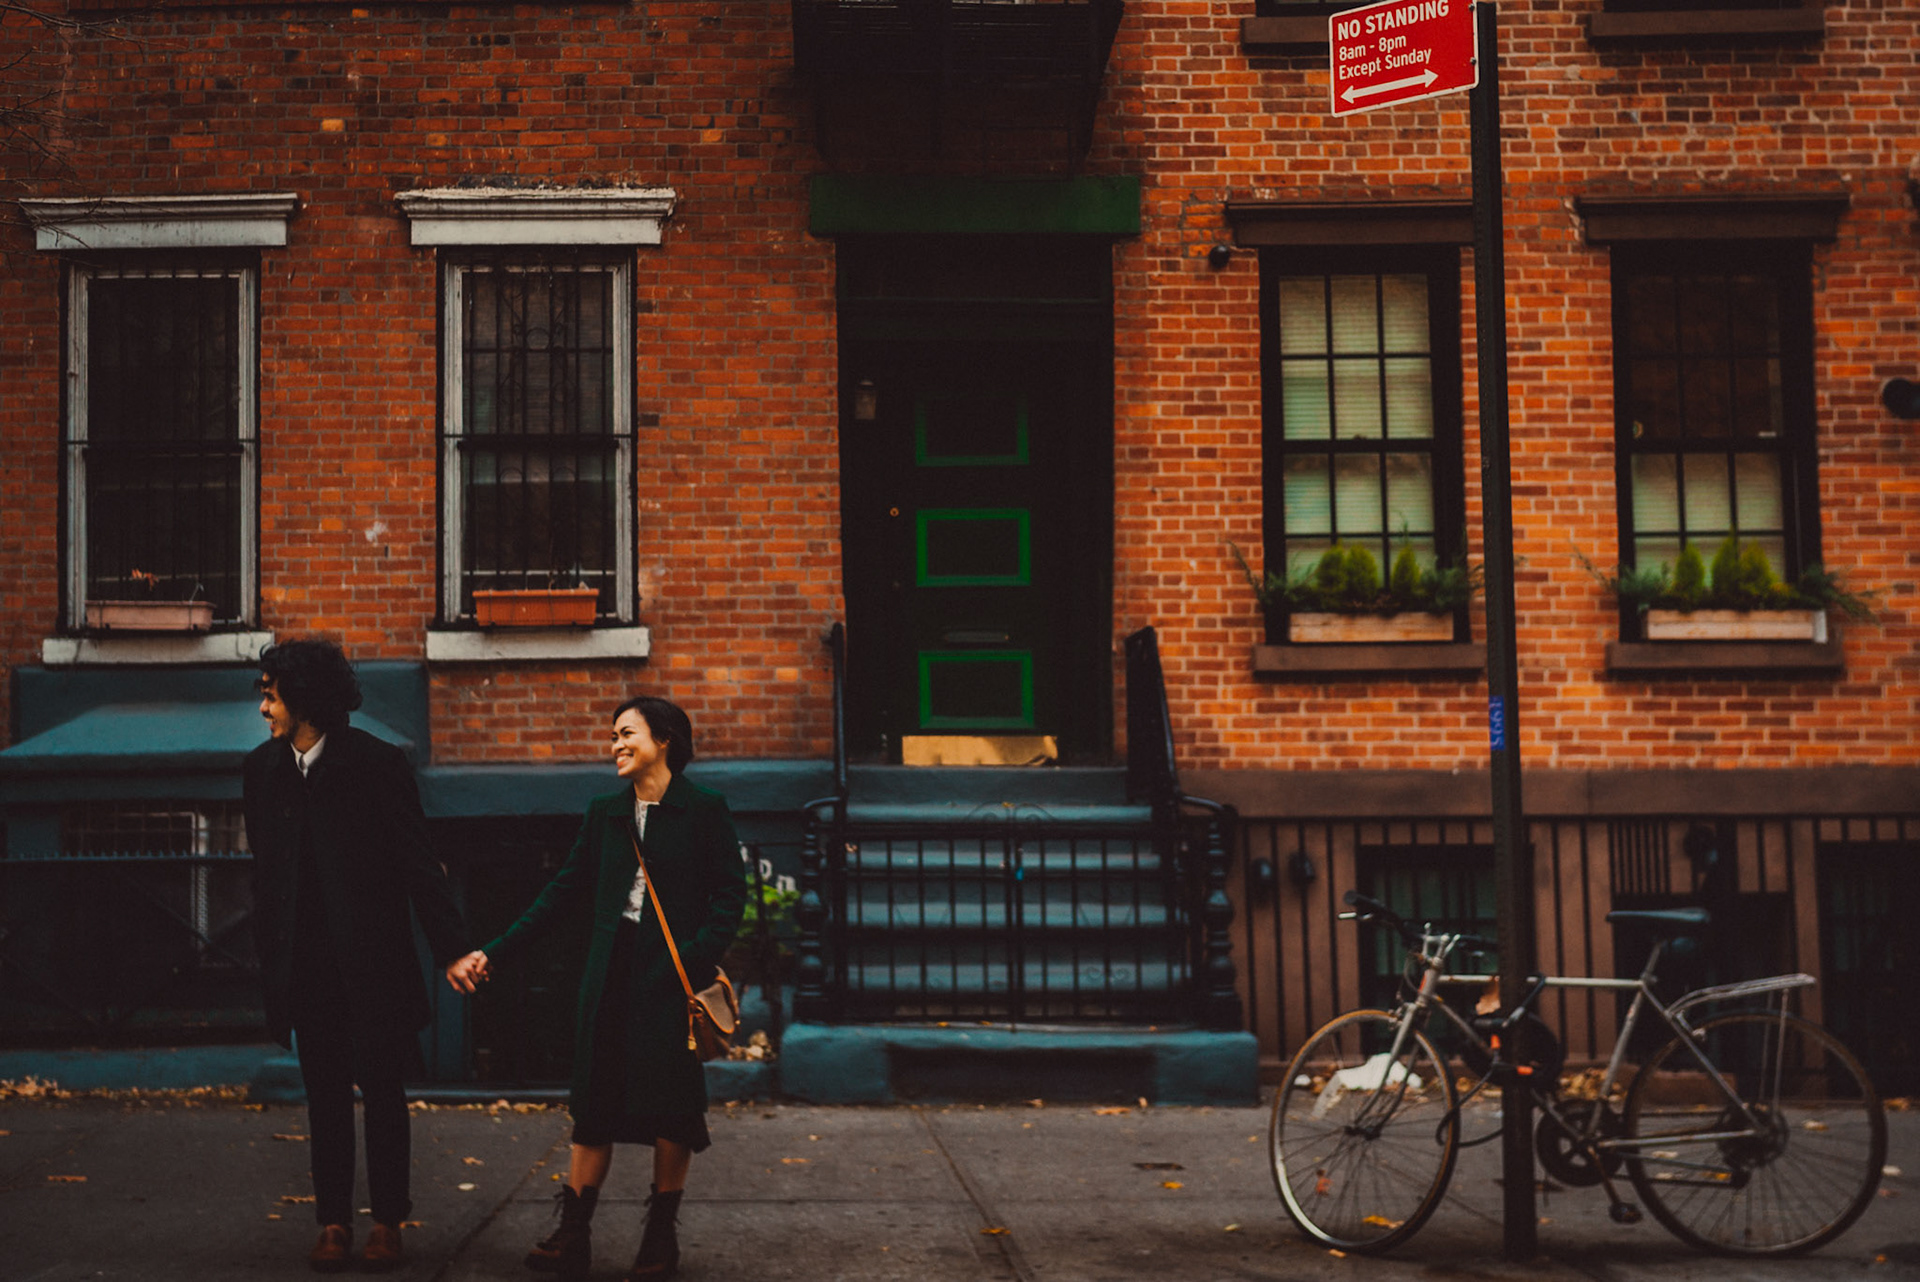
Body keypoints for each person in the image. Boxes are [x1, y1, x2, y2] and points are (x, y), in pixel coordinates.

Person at [445, 695, 746, 1282]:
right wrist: (493, 952)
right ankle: (573, 1234)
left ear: (665, 741)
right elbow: (560, 895)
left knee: (672, 1106)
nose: (616, 745)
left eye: (627, 733)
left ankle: (660, 1239)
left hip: (670, 979)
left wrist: (689, 960)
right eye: (612, 736)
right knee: (594, 1101)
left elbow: (730, 897)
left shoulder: (704, 809)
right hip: (609, 976)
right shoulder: (605, 813)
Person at [243, 638, 470, 1274]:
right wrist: (270, 959)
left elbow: (417, 864)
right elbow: (265, 875)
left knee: (384, 1092)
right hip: (306, 968)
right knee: (324, 1097)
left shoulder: (377, 765)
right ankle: (334, 1221)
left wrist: (454, 948)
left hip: (373, 965)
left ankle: (389, 1222)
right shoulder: (261, 770)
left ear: (304, 696)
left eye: (271, 692)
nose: (263, 706)